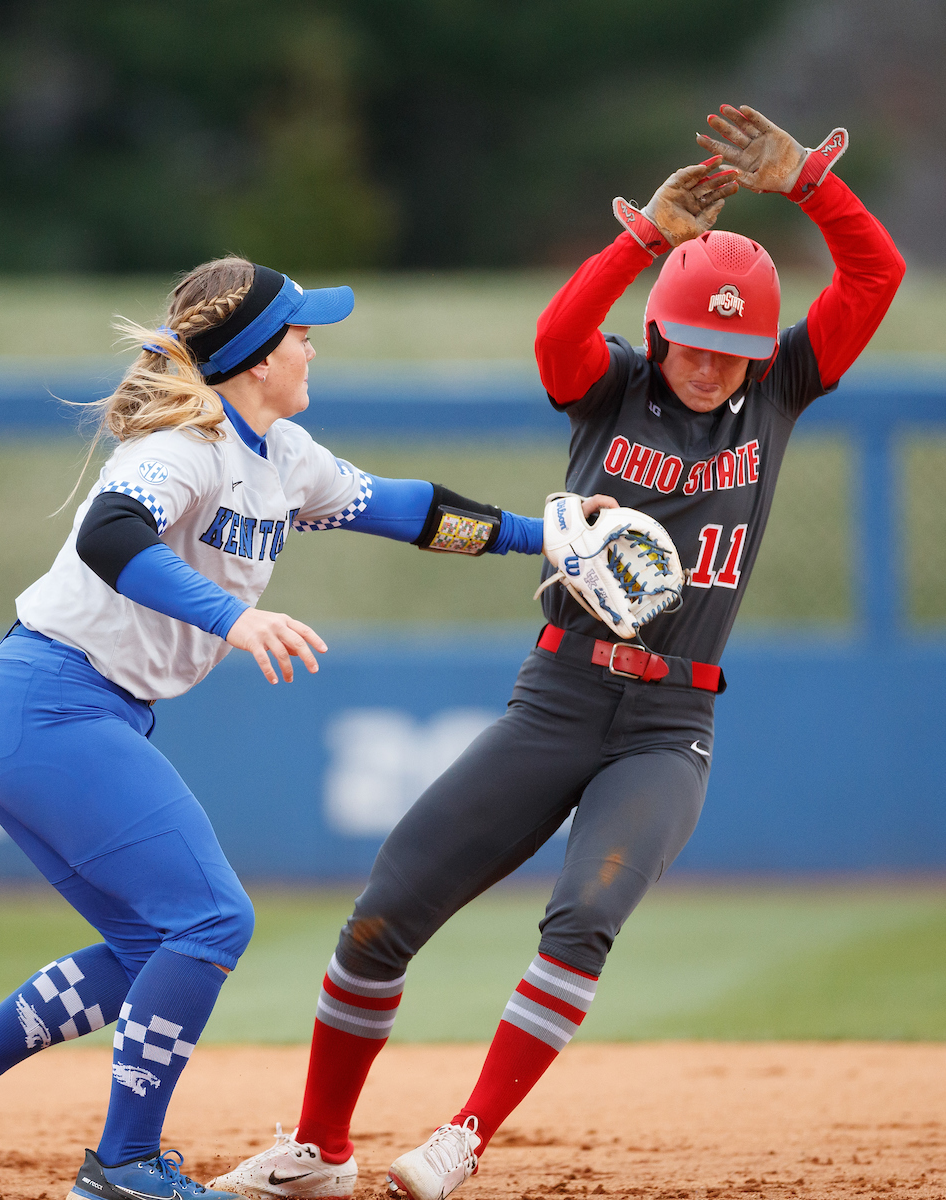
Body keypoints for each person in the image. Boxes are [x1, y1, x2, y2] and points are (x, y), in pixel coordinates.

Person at [210, 105, 905, 1200]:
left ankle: (464, 1137)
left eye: (735, 350)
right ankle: (319, 1152)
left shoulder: (777, 394)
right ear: (660, 327)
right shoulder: (612, 385)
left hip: (670, 727)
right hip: (559, 697)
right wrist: (639, 246)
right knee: (383, 916)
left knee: (584, 917)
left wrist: (813, 189)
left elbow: (876, 276)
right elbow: (555, 338)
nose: (713, 366)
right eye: (694, 341)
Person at [0, 258, 545, 1200]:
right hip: (49, 703)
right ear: (256, 357)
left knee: (155, 947)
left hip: (73, 712)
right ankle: (124, 1166)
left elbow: (410, 509)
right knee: (212, 918)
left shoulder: (284, 456)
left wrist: (543, 537)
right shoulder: (182, 449)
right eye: (301, 330)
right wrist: (234, 619)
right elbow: (111, 535)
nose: (313, 343)